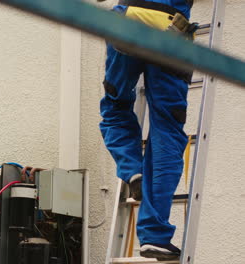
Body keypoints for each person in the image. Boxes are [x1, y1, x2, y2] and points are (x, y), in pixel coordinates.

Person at [99, 0, 195, 261]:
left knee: (115, 108)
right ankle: (154, 237)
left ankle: (132, 171)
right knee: (167, 131)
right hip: (171, 27)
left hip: (127, 19)